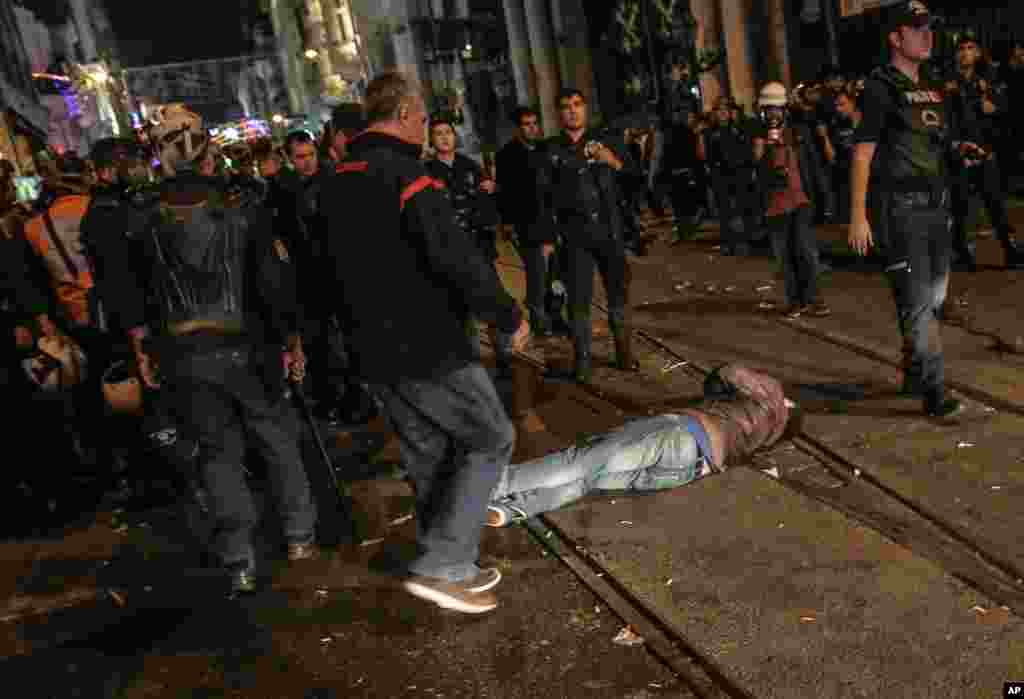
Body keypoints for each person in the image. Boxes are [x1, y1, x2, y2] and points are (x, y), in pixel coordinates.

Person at [321, 72, 529, 614]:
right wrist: (506, 314)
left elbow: (320, 269)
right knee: (490, 435)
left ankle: (444, 560)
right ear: (409, 114)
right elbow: (453, 256)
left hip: (371, 348)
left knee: (429, 452)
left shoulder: (338, 178)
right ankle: (445, 564)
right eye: (423, 118)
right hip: (425, 342)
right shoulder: (405, 175)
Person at [107, 104, 319, 594]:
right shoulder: (244, 205)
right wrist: (292, 340)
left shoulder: (140, 216)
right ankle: (299, 537)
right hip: (249, 348)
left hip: (183, 356)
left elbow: (129, 293)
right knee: (276, 439)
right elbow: (272, 284)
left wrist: (143, 349)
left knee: (216, 452)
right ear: (207, 153)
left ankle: (239, 556)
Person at [487, 364, 792, 525]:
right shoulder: (768, 437)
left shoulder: (771, 393)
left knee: (579, 462)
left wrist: (714, 394)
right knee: (589, 481)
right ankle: (512, 510)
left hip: (682, 434)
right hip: (691, 469)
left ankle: (489, 487)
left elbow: (727, 372)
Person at [847, 1, 963, 419]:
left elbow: (933, 143)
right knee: (918, 306)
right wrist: (858, 215)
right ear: (896, 39)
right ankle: (935, 393)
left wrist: (958, 151)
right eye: (917, 30)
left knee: (933, 298)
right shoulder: (881, 87)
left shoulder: (931, 85)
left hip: (936, 210)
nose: (927, 36)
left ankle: (915, 369)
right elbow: (862, 154)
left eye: (929, 28)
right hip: (902, 213)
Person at [540, 88, 639, 384]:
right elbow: (542, 196)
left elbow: (634, 180)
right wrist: (548, 238)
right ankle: (582, 361)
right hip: (574, 237)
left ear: (586, 109)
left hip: (609, 231)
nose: (572, 111)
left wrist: (612, 161)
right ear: (559, 113)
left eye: (577, 105)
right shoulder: (551, 149)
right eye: (566, 106)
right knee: (579, 300)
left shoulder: (607, 141)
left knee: (618, 295)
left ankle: (624, 354)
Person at [753, 82, 833, 319]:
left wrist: (823, 198)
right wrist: (763, 148)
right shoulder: (757, 134)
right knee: (784, 256)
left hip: (800, 200)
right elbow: (752, 168)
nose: (773, 114)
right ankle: (794, 300)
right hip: (774, 205)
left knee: (806, 252)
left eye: (777, 108)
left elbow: (813, 165)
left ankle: (814, 299)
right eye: (769, 109)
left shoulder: (798, 131)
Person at [945, 30, 1023, 270]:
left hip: (985, 149)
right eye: (961, 48)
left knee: (995, 203)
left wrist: (992, 107)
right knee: (960, 207)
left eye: (970, 48)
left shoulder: (989, 77)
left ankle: (1010, 250)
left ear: (977, 52)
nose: (965, 53)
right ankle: (963, 254)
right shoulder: (946, 80)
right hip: (958, 151)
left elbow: (1003, 109)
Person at [496, 107, 565, 336]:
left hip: (554, 222)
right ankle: (539, 320)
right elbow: (505, 193)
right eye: (527, 124)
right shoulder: (507, 155)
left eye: (535, 123)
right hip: (528, 225)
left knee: (556, 275)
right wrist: (507, 223)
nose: (532, 128)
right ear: (518, 128)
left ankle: (556, 315)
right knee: (537, 275)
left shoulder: (546, 148)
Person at [699, 97, 761, 256]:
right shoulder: (709, 132)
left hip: (740, 173)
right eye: (719, 110)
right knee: (725, 211)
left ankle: (745, 241)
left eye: (725, 110)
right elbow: (704, 155)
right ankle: (728, 242)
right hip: (720, 176)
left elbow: (748, 150)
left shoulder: (738, 128)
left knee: (743, 208)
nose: (723, 113)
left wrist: (750, 168)